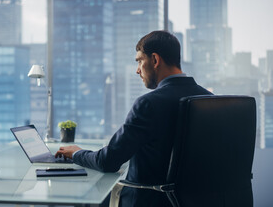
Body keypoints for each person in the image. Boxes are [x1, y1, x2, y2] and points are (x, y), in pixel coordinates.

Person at [55, 30, 213, 206]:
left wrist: (76, 153)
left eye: (139, 61)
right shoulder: (209, 100)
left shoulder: (148, 103)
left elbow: (108, 162)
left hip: (144, 201)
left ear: (154, 60)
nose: (137, 70)